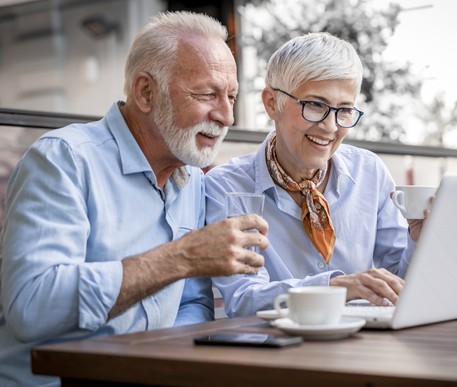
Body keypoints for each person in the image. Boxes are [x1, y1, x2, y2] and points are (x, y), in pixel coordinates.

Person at [0, 11, 268, 386]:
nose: (227, 116)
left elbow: (192, 304)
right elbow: (31, 308)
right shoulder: (65, 159)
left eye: (232, 97)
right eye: (207, 94)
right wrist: (183, 256)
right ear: (146, 92)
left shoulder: (190, 177)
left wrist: (161, 363)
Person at [205, 32, 424, 317]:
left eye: (344, 110)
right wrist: (335, 287)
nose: (331, 126)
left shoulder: (370, 173)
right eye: (316, 105)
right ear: (272, 103)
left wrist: (419, 241)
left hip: (355, 348)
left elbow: (398, 283)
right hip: (270, 353)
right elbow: (245, 299)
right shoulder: (226, 187)